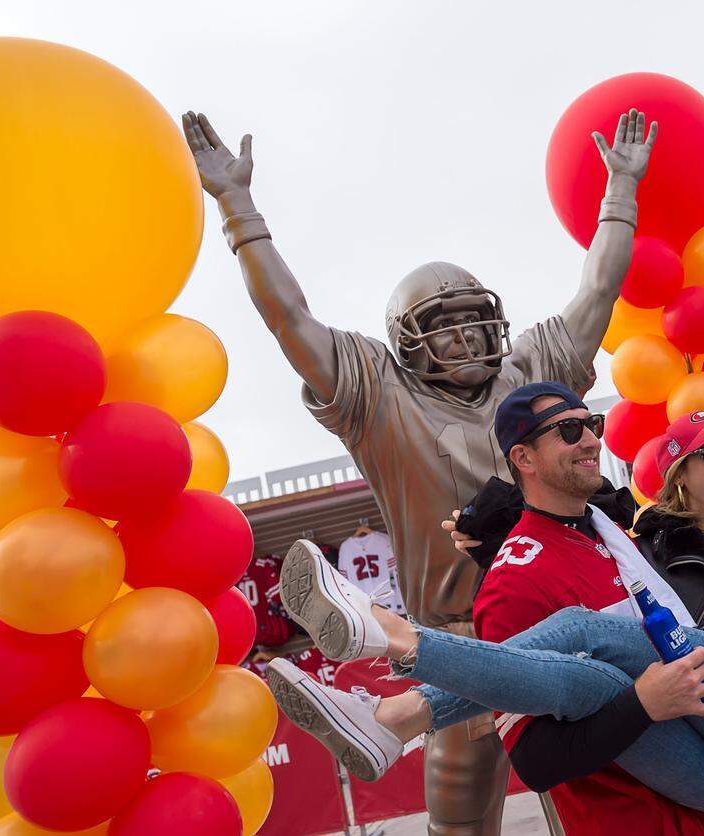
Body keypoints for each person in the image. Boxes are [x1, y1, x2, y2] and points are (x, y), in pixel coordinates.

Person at [182, 107, 656, 834]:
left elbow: (597, 293)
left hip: (561, 612)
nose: (466, 334)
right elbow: (290, 319)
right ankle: (384, 686)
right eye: (444, 324)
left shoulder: (531, 370)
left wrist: (619, 194)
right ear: (408, 337)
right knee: (463, 811)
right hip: (458, 630)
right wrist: (238, 208)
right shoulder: (376, 390)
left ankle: (379, 697)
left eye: (473, 318)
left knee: (603, 796)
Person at [268, 383, 704, 833]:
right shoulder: (657, 540)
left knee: (593, 636)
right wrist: (640, 703)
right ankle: (391, 698)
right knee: (597, 675)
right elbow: (535, 752)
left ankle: (397, 681)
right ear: (679, 474)